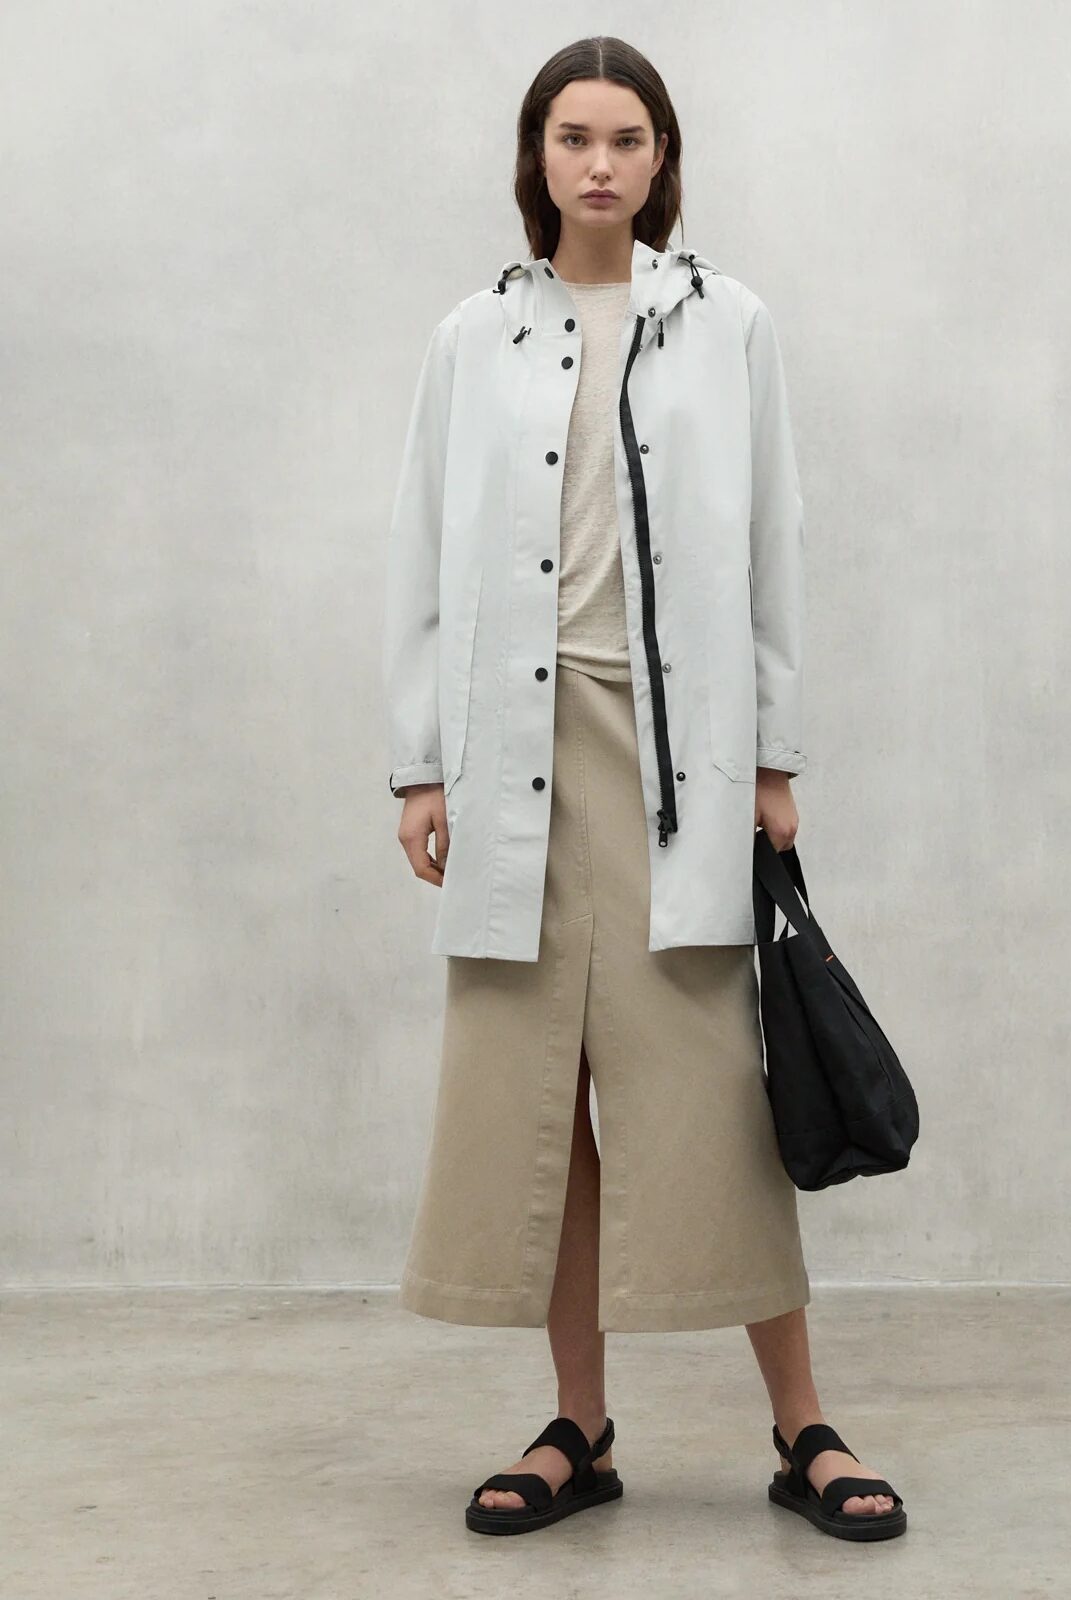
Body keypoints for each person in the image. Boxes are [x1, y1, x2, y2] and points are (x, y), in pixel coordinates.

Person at [382, 35, 906, 1541]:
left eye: (626, 138)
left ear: (662, 159)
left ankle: (803, 1427)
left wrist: (778, 759)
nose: (599, 163)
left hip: (680, 758)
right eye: (572, 136)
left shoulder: (725, 323)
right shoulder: (471, 337)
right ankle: (579, 1427)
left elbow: (774, 546)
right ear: (535, 158)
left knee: (713, 1101)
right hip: (512, 752)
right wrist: (421, 765)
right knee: (544, 1102)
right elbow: (421, 551)